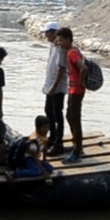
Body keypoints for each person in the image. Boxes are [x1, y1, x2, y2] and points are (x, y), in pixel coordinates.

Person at [56, 27, 87, 163]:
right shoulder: (72, 50)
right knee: (70, 116)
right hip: (74, 90)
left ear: (69, 39)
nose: (59, 43)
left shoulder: (71, 53)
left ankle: (77, 151)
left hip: (76, 91)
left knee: (75, 119)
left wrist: (80, 82)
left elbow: (83, 68)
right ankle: (76, 144)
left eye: (61, 40)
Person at [41, 21, 68, 156]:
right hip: (50, 85)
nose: (46, 35)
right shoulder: (53, 46)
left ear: (53, 33)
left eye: (47, 33)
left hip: (57, 87)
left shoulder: (61, 48)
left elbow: (62, 68)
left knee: (57, 114)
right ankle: (52, 137)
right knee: (48, 111)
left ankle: (58, 142)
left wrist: (55, 86)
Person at [6, 116, 55, 181]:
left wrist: (44, 161)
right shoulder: (33, 141)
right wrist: (43, 171)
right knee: (37, 171)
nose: (47, 130)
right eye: (44, 128)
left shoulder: (43, 137)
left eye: (48, 127)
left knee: (50, 168)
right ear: (38, 128)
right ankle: (15, 173)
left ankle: (31, 169)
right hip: (27, 159)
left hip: (34, 159)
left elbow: (44, 150)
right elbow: (34, 158)